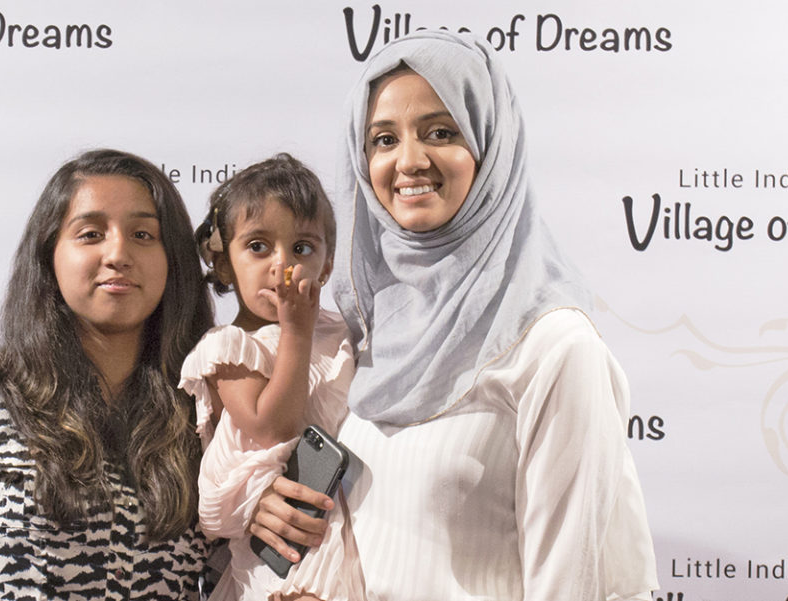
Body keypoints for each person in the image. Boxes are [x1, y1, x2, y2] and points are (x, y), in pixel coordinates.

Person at [248, 31, 660, 600]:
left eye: (441, 132)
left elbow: (577, 585)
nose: (408, 161)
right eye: (383, 139)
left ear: (492, 147)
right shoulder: (369, 334)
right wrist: (275, 507)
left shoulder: (556, 350)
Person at [0, 149, 214, 601]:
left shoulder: (205, 408)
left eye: (142, 234)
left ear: (173, 259)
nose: (117, 253)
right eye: (90, 233)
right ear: (49, 254)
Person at [179, 153, 364, 601]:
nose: (281, 264)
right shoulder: (229, 349)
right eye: (258, 246)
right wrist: (295, 333)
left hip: (352, 534)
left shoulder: (343, 333)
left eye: (302, 248)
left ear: (326, 264)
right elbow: (271, 426)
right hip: (277, 559)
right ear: (225, 264)